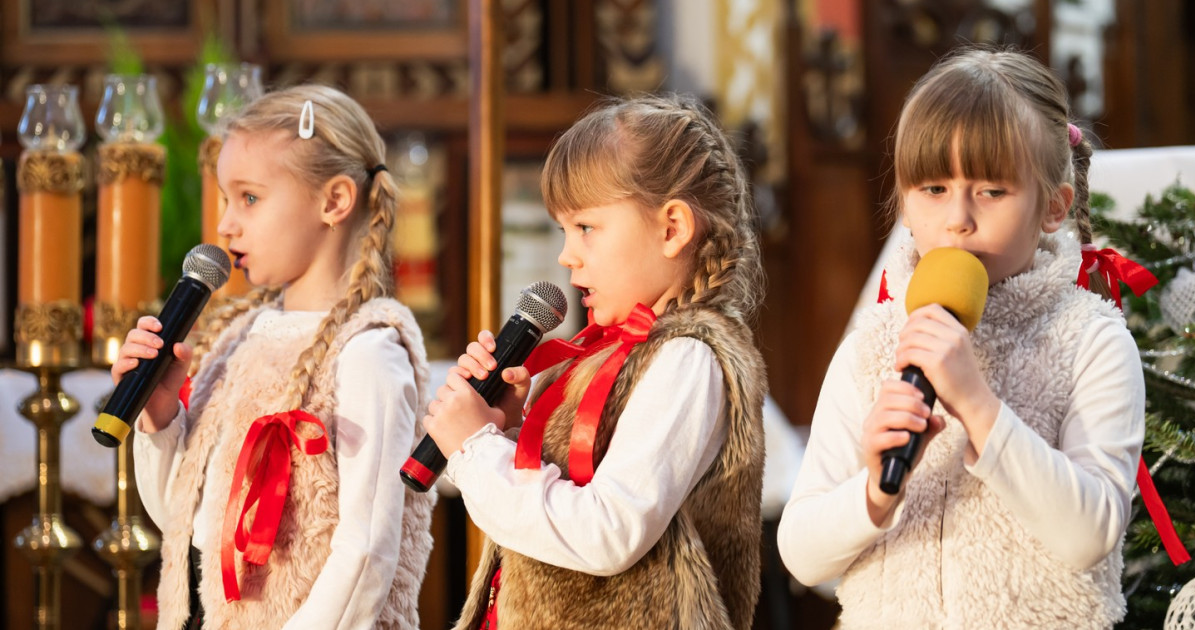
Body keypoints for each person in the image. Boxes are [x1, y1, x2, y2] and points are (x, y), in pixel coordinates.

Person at [777, 47, 1145, 628]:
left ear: (1053, 207)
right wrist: (873, 491)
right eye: (932, 189)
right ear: (904, 198)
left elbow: (1090, 533)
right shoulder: (871, 346)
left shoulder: (1090, 341)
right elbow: (801, 555)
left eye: (991, 192)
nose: (958, 219)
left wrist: (979, 407)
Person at [423, 94, 767, 629]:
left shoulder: (688, 359)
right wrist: (507, 432)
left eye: (585, 228)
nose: (566, 254)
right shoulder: (601, 352)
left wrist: (473, 451)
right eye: (563, 230)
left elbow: (609, 532)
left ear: (672, 228)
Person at [122, 84, 435, 630]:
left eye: (249, 198)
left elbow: (365, 553)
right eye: (224, 198)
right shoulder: (238, 338)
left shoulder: (367, 353)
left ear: (334, 201)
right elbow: (186, 523)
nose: (224, 225)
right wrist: (161, 416)